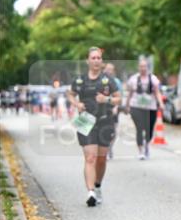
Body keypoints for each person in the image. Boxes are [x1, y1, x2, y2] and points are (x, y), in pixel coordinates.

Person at [67, 47, 121, 207]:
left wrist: (107, 100)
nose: (96, 60)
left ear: (101, 61)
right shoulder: (80, 80)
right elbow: (70, 94)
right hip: (86, 120)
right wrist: (77, 103)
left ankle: (97, 185)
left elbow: (119, 99)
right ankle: (90, 192)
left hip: (105, 121)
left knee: (101, 159)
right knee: (90, 157)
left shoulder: (108, 80)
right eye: (93, 58)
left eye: (99, 58)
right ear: (88, 60)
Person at [126, 58, 166, 160]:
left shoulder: (153, 79)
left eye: (145, 66)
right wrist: (127, 105)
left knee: (149, 129)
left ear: (147, 67)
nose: (143, 68)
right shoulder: (133, 79)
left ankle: (147, 145)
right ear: (138, 67)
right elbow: (130, 93)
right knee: (139, 129)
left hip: (150, 107)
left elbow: (157, 92)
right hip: (136, 107)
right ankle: (141, 151)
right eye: (141, 66)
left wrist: (161, 103)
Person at [103, 63, 123, 159]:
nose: (109, 71)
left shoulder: (117, 82)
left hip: (113, 109)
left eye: (111, 69)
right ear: (104, 69)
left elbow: (119, 97)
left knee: (113, 132)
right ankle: (105, 149)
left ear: (113, 71)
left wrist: (116, 107)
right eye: (107, 69)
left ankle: (110, 147)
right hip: (102, 109)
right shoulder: (100, 80)